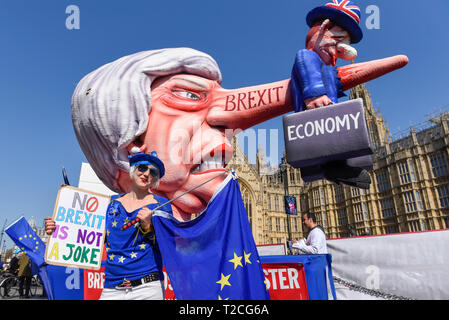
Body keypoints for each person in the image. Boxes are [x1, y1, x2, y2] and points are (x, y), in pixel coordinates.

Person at [46, 151, 172, 300]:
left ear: (156, 179)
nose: (146, 173)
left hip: (147, 289)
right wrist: (58, 229)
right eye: (142, 167)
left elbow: (169, 246)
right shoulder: (108, 203)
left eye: (153, 172)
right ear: (133, 170)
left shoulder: (162, 205)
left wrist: (149, 227)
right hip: (112, 288)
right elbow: (91, 237)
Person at [290, 1, 372, 189]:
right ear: (326, 28)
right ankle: (333, 168)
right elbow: (307, 67)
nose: (343, 48)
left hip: (329, 118)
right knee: (323, 144)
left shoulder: (328, 64)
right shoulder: (308, 56)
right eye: (340, 39)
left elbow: (334, 81)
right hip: (317, 114)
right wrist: (315, 94)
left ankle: (340, 167)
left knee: (340, 144)